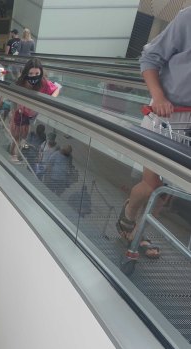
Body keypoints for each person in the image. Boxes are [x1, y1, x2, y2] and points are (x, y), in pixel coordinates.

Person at [118, 7, 191, 259]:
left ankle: (138, 232)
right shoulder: (187, 17)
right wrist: (159, 97)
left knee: (167, 191)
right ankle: (128, 217)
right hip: (167, 114)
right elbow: (150, 59)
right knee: (153, 184)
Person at [9, 58, 60, 163]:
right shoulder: (21, 82)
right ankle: (13, 155)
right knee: (17, 135)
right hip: (20, 113)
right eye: (31, 73)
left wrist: (50, 100)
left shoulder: (43, 82)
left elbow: (56, 89)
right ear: (26, 72)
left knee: (24, 135)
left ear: (41, 72)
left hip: (31, 114)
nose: (34, 76)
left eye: (37, 73)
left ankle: (16, 153)